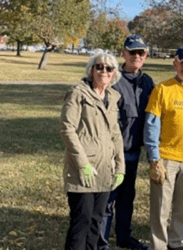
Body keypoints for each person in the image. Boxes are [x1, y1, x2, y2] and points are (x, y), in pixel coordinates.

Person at [143, 44, 183, 250]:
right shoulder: (162, 89)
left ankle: (176, 242)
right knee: (160, 207)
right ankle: (159, 245)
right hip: (166, 158)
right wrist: (154, 159)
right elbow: (151, 126)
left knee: (182, 207)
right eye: (182, 63)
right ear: (175, 63)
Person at [60, 50, 125, 250]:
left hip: (105, 170)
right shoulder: (78, 93)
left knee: (97, 222)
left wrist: (120, 166)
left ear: (114, 73)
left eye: (109, 68)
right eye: (99, 67)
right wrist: (82, 164)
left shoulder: (114, 96)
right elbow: (67, 128)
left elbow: (116, 134)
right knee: (82, 222)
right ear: (91, 70)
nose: (103, 71)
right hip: (84, 170)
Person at [98, 35, 154, 250]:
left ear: (146, 55)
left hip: (133, 151)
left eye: (141, 52)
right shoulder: (111, 78)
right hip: (112, 151)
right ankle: (101, 243)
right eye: (133, 52)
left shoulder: (147, 81)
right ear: (123, 54)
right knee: (107, 200)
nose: (137, 56)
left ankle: (123, 237)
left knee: (126, 198)